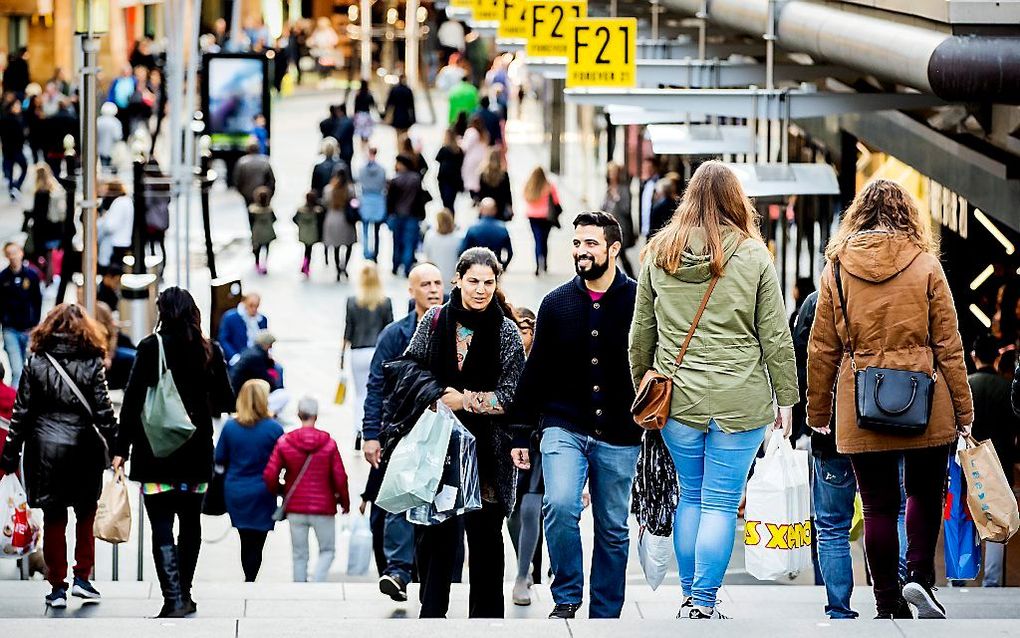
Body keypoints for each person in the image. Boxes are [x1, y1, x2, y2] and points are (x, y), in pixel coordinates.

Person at [630, 161, 798, 620]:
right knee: (721, 501)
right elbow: (776, 337)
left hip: (677, 399)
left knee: (691, 495)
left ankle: (689, 596)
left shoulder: (659, 251)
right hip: (740, 398)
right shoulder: (753, 254)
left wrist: (643, 385)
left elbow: (640, 334)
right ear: (735, 199)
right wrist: (787, 399)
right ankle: (704, 601)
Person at [807, 178, 974, 620]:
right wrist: (964, 410)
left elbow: (821, 347)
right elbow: (948, 343)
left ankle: (886, 601)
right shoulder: (925, 264)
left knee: (878, 504)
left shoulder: (837, 268)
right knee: (923, 492)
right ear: (908, 215)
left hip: (861, 401)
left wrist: (818, 411)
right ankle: (918, 574)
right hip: (926, 395)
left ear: (857, 215)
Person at [511, 212, 640, 618]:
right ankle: (566, 596)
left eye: (591, 244)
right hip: (563, 424)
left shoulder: (639, 301)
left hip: (620, 431)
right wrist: (520, 432)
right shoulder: (555, 304)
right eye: (577, 243)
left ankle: (605, 612)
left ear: (613, 249)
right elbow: (537, 371)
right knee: (561, 504)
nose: (581, 252)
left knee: (613, 528)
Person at [399, 248, 526, 618]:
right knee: (437, 541)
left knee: (486, 543)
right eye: (473, 281)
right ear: (457, 280)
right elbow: (410, 366)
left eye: (489, 282)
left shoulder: (505, 331)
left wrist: (466, 400)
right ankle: (432, 617)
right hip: (438, 449)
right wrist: (437, 395)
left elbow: (513, 396)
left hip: (489, 455)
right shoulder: (435, 321)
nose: (481, 289)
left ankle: (486, 624)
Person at [113, 287, 235, 617]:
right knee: (191, 522)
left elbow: (132, 402)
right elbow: (227, 400)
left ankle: (172, 598)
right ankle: (186, 592)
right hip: (195, 452)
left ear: (163, 312)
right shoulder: (210, 350)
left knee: (162, 524)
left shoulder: (151, 347)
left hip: (155, 454)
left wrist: (120, 448)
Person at [0, 304, 116, 608]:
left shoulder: (35, 362)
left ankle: (57, 587)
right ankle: (83, 578)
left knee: (54, 518)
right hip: (84, 450)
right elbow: (104, 412)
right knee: (85, 515)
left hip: (45, 451)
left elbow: (20, 414)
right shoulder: (92, 363)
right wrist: (119, 449)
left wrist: (9, 454)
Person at [362, 262, 444, 601]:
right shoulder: (395, 334)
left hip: (447, 432)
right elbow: (376, 386)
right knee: (398, 497)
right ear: (411, 291)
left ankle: (436, 575)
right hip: (403, 430)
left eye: (438, 282)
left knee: (442, 508)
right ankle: (397, 572)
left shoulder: (459, 328)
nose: (433, 289)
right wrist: (371, 434)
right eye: (425, 283)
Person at [792, 289, 859, 619]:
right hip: (886, 423)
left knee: (831, 525)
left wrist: (809, 419)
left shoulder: (818, 301)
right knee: (891, 513)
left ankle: (839, 606)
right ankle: (893, 598)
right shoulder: (894, 292)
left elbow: (801, 359)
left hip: (830, 429)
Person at [264, 396, 350, 582]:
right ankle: (317, 584)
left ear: (298, 414)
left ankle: (300, 589)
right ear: (316, 416)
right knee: (327, 550)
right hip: (324, 508)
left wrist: (282, 490)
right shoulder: (329, 443)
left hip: (295, 507)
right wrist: (344, 503)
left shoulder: (285, 442)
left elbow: (270, 475)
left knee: (299, 554)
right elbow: (340, 478)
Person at [215, 379, 284, 582]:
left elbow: (219, 458)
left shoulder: (230, 427)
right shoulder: (274, 429)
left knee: (245, 538)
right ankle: (251, 577)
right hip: (263, 490)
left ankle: (249, 576)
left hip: (236, 489)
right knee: (258, 541)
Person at [967, 334, 1017, 587]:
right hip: (1000, 463)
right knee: (998, 520)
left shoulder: (965, 387)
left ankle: (961, 574)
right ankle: (992, 581)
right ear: (997, 356)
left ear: (973, 357)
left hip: (967, 463)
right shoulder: (1007, 389)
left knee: (965, 517)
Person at [344, 263, 394, 439]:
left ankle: (358, 428)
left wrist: (342, 355)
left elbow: (348, 330)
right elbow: (390, 330)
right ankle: (375, 428)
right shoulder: (385, 301)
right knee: (377, 392)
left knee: (359, 394)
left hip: (357, 351)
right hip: (378, 351)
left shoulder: (352, 301)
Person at [0, 241, 43, 386]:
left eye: (15, 253)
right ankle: (15, 403)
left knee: (29, 368)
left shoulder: (32, 275)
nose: (13, 257)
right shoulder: (3, 278)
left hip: (28, 328)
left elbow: (38, 300)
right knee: (17, 370)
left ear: (21, 253)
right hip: (10, 329)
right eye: (9, 254)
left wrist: (35, 323)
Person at [386, 155, 426, 277]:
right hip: (412, 215)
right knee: (409, 243)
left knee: (397, 242)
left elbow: (390, 201)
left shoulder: (395, 180)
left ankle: (396, 265)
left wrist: (389, 214)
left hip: (398, 215)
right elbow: (420, 199)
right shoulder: (416, 179)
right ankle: (407, 267)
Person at [522, 167, 559, 276]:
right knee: (544, 241)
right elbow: (556, 201)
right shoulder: (549, 186)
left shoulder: (529, 185)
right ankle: (545, 264)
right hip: (546, 217)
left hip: (532, 216)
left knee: (537, 240)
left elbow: (524, 197)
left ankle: (538, 265)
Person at [322, 170, 358, 280]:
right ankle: (344, 266)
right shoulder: (350, 189)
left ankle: (338, 269)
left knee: (336, 246)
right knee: (348, 244)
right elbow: (355, 203)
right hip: (346, 219)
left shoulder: (329, 189)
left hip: (332, 218)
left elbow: (325, 202)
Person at [601, 162, 635, 277]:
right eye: (610, 173)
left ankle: (631, 278)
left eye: (614, 173)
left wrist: (617, 198)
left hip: (621, 228)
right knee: (611, 254)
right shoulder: (608, 189)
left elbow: (626, 209)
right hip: (609, 229)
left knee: (620, 254)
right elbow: (603, 208)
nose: (612, 175)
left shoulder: (624, 189)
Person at [218, 293, 268, 367]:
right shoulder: (230, 317)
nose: (254, 309)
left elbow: (265, 341)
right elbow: (223, 339)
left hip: (257, 358)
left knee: (277, 369)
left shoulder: (262, 319)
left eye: (256, 306)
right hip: (238, 357)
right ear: (244, 303)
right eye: (251, 305)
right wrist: (234, 356)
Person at [461, 198, 513, 270]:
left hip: (476, 267)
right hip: (494, 266)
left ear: (481, 210)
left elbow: (463, 250)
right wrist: (503, 266)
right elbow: (510, 252)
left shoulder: (473, 228)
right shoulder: (502, 228)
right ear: (495, 210)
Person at [358, 146, 387, 260]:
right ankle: (375, 252)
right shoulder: (382, 170)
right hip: (378, 200)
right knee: (376, 230)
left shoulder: (361, 170)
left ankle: (366, 252)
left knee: (365, 229)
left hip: (366, 199)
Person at [96, 180, 134, 268]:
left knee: (113, 271)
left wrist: (103, 220)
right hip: (123, 241)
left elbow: (110, 226)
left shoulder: (119, 202)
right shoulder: (127, 201)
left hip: (115, 242)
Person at [423, 209, 463, 286]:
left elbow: (427, 254)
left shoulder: (430, 236)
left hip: (435, 277)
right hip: (452, 278)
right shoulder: (459, 237)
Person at [233, 140, 276, 208]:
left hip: (247, 193)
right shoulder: (265, 161)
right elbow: (271, 180)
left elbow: (237, 180)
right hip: (263, 194)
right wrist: (269, 192)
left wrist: (242, 192)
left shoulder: (242, 162)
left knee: (250, 213)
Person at [0, 100, 28, 197]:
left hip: (7, 149)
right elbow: (21, 136)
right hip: (16, 149)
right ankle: (16, 185)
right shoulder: (16, 120)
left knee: (10, 171)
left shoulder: (3, 119)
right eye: (17, 106)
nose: (19, 107)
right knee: (24, 167)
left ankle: (12, 189)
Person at [294, 190, 323, 277]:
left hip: (304, 232)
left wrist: (301, 225)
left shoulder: (301, 210)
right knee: (309, 250)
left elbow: (294, 219)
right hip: (312, 233)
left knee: (307, 249)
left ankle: (305, 264)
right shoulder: (317, 211)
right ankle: (306, 265)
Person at [477, 148, 512, 220]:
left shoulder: (483, 174)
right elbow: (507, 193)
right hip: (500, 206)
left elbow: (480, 193)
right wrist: (510, 206)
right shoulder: (504, 175)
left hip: (486, 206)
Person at [248, 186, 277, 275]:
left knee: (258, 249)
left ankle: (257, 263)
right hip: (267, 232)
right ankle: (264, 263)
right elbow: (274, 219)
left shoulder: (253, 210)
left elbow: (251, 221)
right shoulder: (269, 210)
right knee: (266, 248)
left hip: (258, 232)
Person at [435, 128, 465, 211]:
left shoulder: (444, 149)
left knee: (447, 203)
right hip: (454, 180)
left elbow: (438, 159)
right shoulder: (458, 150)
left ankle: (448, 221)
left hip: (445, 180)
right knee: (450, 202)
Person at [460, 115, 489, 199]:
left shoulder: (471, 132)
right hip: (482, 158)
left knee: (470, 179)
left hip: (471, 159)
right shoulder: (484, 133)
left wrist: (459, 142)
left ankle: (474, 197)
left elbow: (465, 146)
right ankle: (478, 195)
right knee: (477, 178)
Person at [383, 75, 416, 143]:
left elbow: (389, 104)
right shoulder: (408, 90)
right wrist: (413, 118)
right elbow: (411, 106)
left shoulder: (395, 90)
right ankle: (404, 148)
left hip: (397, 115)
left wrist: (385, 115)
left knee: (398, 135)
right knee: (405, 135)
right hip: (406, 116)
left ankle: (400, 149)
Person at [97, 102, 122, 170]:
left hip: (99, 150)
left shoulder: (98, 121)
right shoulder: (116, 122)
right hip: (112, 151)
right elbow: (118, 137)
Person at [639, 157, 660, 239]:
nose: (646, 170)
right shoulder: (645, 183)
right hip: (646, 228)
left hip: (656, 228)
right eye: (644, 167)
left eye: (649, 168)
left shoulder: (659, 182)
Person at [353, 81, 378, 147]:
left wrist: (355, 115)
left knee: (361, 133)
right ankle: (366, 146)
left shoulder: (358, 94)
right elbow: (373, 105)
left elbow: (355, 106)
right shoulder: (369, 94)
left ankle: (363, 146)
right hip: (366, 115)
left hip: (360, 115)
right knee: (366, 133)